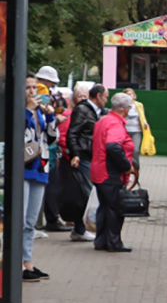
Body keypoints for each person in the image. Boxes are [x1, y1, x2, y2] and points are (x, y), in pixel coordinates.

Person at [22, 75, 58, 282]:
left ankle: (28, 262)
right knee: (19, 217)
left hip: (40, 166)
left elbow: (52, 138)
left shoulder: (40, 113)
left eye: (35, 87)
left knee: (30, 221)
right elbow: (18, 132)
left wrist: (50, 116)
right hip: (23, 167)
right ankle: (16, 263)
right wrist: (28, 109)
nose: (32, 91)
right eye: (28, 87)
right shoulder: (21, 110)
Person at [91, 91, 136, 253]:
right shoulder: (115, 124)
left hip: (98, 170)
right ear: (124, 108)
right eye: (130, 107)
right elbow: (113, 146)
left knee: (104, 206)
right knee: (115, 208)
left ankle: (101, 240)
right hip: (109, 172)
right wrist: (126, 166)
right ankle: (114, 243)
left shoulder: (103, 121)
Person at [66, 83, 108, 242]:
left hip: (92, 157)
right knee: (86, 193)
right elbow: (72, 133)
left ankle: (82, 228)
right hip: (83, 156)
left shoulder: (97, 112)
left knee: (89, 193)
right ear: (98, 96)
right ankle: (80, 229)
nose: (106, 100)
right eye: (105, 97)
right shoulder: (83, 110)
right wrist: (75, 154)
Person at [34, 66, 70, 232]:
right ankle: (51, 219)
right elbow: (44, 119)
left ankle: (44, 219)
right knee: (51, 183)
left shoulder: (36, 90)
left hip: (41, 145)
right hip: (45, 146)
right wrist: (56, 119)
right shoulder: (41, 91)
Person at [121, 88, 150, 169]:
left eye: (130, 94)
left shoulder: (139, 105)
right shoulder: (122, 105)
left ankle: (136, 168)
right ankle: (125, 168)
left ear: (134, 96)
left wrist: (145, 123)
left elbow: (142, 116)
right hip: (125, 131)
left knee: (135, 150)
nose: (128, 96)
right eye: (126, 94)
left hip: (136, 130)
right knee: (124, 150)